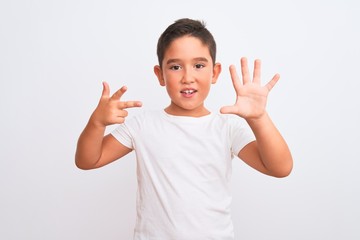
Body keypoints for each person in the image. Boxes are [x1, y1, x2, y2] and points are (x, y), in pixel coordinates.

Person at [75, 18, 293, 240]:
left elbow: (280, 168)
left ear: (215, 73)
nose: (188, 78)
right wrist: (97, 123)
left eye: (199, 66)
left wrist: (259, 118)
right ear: (160, 74)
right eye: (175, 67)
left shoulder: (226, 127)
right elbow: (88, 160)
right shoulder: (143, 125)